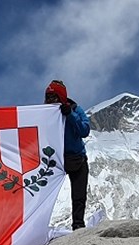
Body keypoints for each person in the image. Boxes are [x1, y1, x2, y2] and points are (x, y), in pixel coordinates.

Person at [44, 80, 91, 230]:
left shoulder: (76, 110)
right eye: (48, 97)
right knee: (43, 195)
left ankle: (78, 225)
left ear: (61, 97)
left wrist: (69, 115)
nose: (51, 101)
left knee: (79, 195)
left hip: (77, 158)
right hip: (54, 160)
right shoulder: (44, 114)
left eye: (54, 97)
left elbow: (84, 131)